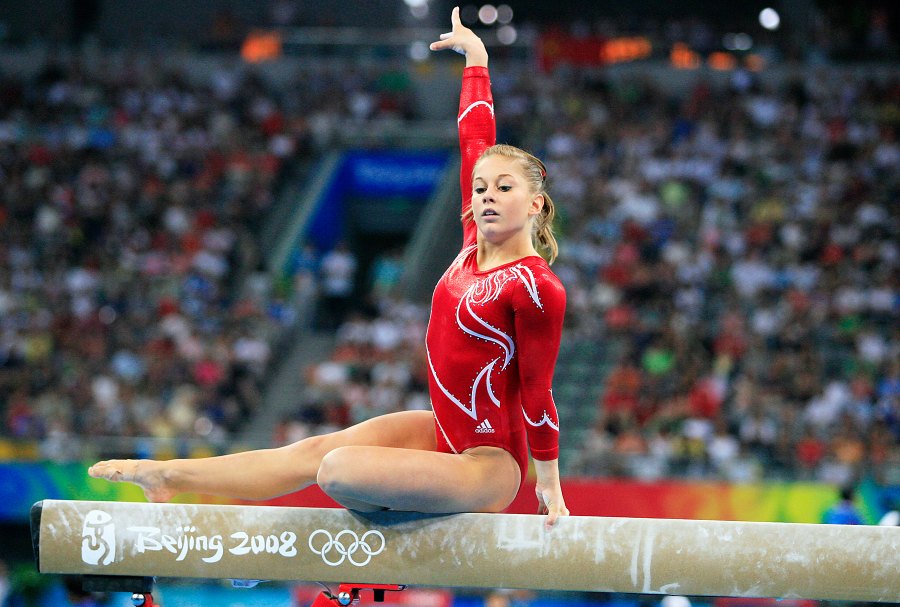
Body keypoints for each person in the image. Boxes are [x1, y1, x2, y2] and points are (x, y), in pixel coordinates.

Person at [88, 8, 569, 526]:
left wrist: (551, 486)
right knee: (311, 452)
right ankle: (169, 478)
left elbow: (538, 395)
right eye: (480, 188)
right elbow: (475, 138)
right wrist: (476, 60)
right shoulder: (473, 237)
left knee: (338, 470)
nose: (487, 197)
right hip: (442, 431)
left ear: (536, 204)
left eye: (504, 188)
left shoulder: (537, 287)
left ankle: (404, 524)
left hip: (489, 463)